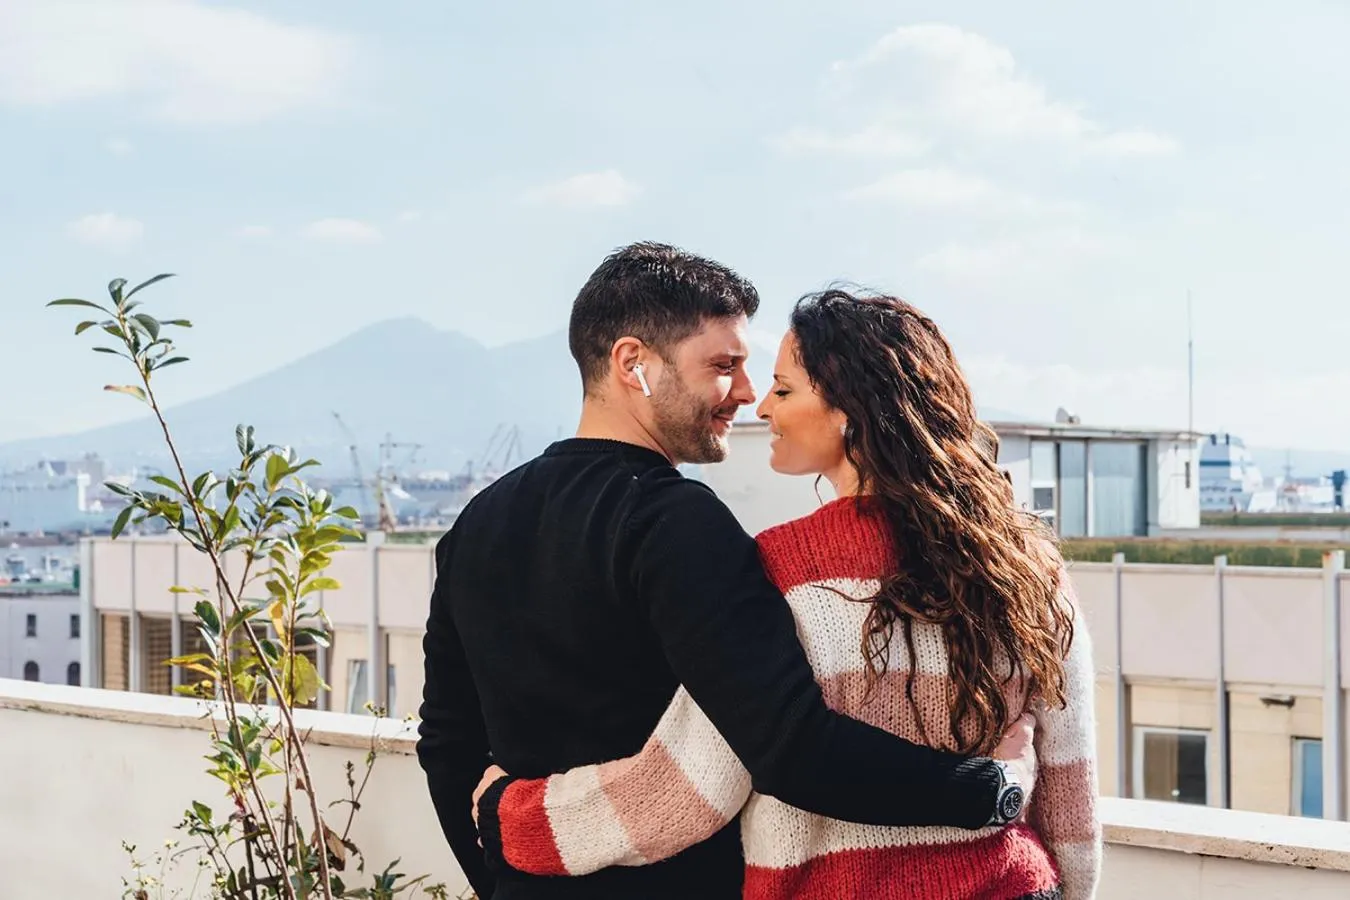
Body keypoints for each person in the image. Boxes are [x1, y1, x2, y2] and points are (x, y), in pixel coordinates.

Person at [417, 244, 1037, 900]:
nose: (746, 395)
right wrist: (988, 790)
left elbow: (446, 744)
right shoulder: (677, 523)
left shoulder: (476, 524)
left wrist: (499, 879)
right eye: (723, 366)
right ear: (634, 363)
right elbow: (792, 749)